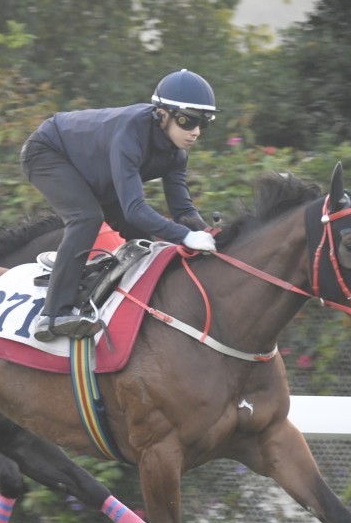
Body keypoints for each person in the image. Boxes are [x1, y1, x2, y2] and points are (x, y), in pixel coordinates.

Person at [20, 69, 219, 342]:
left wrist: (209, 234)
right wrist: (185, 236)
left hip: (94, 170)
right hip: (48, 151)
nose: (195, 132)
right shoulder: (131, 134)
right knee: (87, 218)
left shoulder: (176, 155)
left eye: (203, 124)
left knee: (145, 245)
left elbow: (183, 211)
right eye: (188, 121)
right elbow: (134, 208)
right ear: (162, 114)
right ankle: (52, 316)